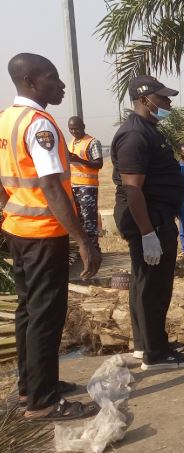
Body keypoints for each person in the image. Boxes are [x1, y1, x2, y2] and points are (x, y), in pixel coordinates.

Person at [0, 53, 101, 421]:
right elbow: (51, 187)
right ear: (30, 80)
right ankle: (43, 402)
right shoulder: (39, 124)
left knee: (28, 310)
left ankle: (30, 386)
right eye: (52, 78)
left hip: (17, 229)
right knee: (46, 315)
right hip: (44, 233)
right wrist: (84, 240)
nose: (60, 85)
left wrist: (9, 210)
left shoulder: (6, 119)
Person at [111, 75, 184, 370]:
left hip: (155, 215)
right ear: (145, 99)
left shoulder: (148, 130)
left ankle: (146, 344)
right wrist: (148, 234)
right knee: (153, 286)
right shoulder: (135, 135)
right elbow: (133, 189)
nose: (168, 103)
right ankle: (156, 355)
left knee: (144, 283)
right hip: (148, 218)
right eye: (163, 98)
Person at [67, 116, 103, 254]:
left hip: (87, 186)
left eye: (76, 128)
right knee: (78, 219)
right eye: (71, 129)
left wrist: (80, 160)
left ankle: (93, 249)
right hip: (73, 186)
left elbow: (98, 164)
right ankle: (83, 249)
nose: (74, 131)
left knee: (89, 220)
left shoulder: (92, 142)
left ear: (83, 126)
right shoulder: (71, 143)